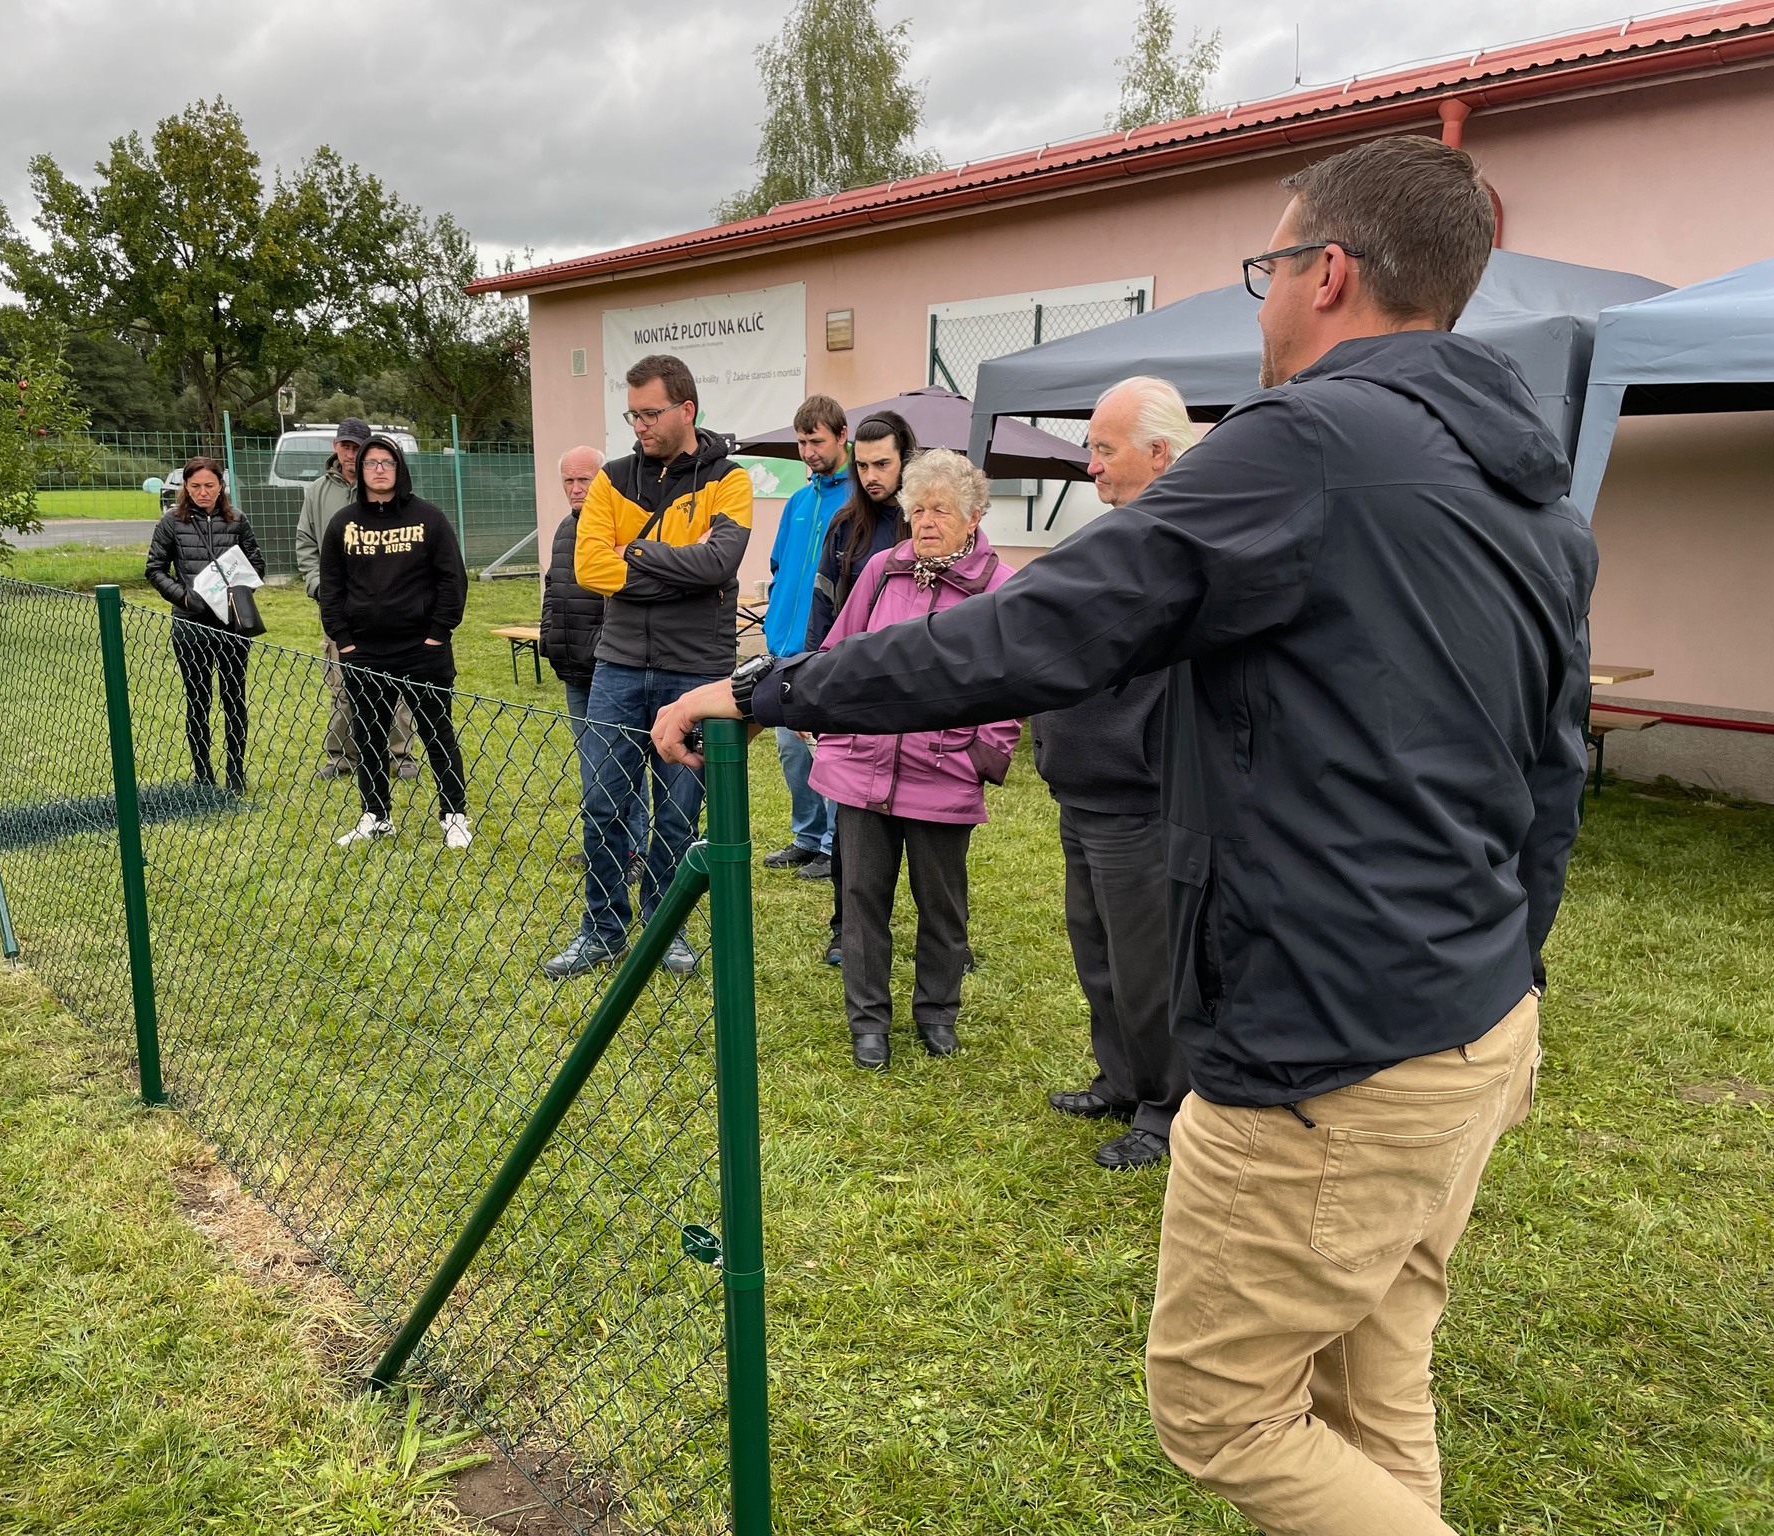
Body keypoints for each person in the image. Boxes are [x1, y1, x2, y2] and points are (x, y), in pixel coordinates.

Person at [657, 136, 1592, 1535]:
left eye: (1268, 266)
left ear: (1328, 273)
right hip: (1472, 1029)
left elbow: (1032, 629)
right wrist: (1512, 970)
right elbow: (1552, 768)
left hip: (1333, 1047)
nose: (1262, 298)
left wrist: (774, 688)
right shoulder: (1533, 489)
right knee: (1372, 1388)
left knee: (1220, 1406)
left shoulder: (1310, 444)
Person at [544, 354, 751, 980]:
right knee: (603, 804)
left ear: (686, 409)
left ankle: (666, 931)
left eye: (650, 413)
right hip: (619, 666)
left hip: (697, 673)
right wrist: (673, 572)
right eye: (631, 414)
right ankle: (602, 931)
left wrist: (632, 553)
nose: (639, 425)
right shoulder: (609, 479)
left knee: (679, 812)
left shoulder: (730, 481)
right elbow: (589, 568)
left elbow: (719, 564)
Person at [810, 450, 1018, 1070]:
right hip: (862, 764)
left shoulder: (999, 588)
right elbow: (837, 653)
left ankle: (936, 1013)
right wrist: (820, 717)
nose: (926, 521)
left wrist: (986, 751)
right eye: (918, 508)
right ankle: (868, 1022)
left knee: (942, 903)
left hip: (943, 769)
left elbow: (1016, 681)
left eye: (941, 510)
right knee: (862, 897)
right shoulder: (880, 571)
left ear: (974, 516)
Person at [1034, 377, 1196, 1171]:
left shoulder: (1178, 546)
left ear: (1159, 454)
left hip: (1140, 801)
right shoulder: (1115, 540)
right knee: (1096, 951)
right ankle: (1122, 1078)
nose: (1090, 466)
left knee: (1147, 967)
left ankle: (1167, 1110)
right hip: (1084, 788)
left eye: (1104, 449)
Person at [318, 434, 471, 849]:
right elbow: (331, 587)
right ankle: (376, 814)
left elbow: (452, 579)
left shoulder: (429, 518)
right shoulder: (343, 524)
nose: (379, 469)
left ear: (399, 467)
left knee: (437, 732)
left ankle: (454, 815)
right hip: (363, 651)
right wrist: (344, 641)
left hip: (423, 650)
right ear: (359, 469)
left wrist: (438, 635)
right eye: (371, 463)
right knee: (369, 734)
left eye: (387, 462)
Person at [804, 409, 916, 968]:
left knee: (927, 823)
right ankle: (845, 929)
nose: (872, 475)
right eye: (864, 464)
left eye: (884, 463)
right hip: (853, 690)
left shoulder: (927, 522)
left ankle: (946, 937)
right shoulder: (845, 526)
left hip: (921, 692)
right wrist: (806, 683)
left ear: (906, 460)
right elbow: (822, 612)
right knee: (851, 818)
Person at [540, 444, 646, 869]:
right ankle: (601, 847)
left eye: (585, 479)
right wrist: (549, 636)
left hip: (610, 668)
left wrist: (606, 650)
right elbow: (555, 586)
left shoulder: (622, 527)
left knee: (621, 765)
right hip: (573, 668)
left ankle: (633, 850)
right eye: (569, 480)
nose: (577, 488)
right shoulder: (567, 529)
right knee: (591, 765)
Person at [294, 419, 416, 783]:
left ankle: (401, 754)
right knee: (342, 685)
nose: (351, 453)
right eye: (345, 446)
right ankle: (341, 755)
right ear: (336, 448)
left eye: (357, 448)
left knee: (396, 686)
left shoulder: (386, 493)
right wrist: (321, 588)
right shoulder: (316, 491)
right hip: (339, 610)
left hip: (387, 610)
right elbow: (305, 546)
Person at [760, 395, 849, 881]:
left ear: (841, 437)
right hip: (784, 650)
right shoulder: (797, 501)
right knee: (791, 750)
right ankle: (808, 837)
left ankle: (837, 846)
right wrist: (775, 625)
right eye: (801, 442)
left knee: (829, 750)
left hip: (829, 651)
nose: (809, 451)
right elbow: (779, 567)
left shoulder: (857, 499)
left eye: (817, 441)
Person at [144, 458, 267, 795]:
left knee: (233, 697)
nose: (203, 492)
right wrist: (185, 598)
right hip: (190, 624)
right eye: (195, 486)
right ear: (185, 487)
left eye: (209, 485)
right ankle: (203, 773)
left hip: (231, 624)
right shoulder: (171, 523)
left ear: (220, 487)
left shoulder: (237, 520)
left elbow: (256, 564)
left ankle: (236, 773)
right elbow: (155, 569)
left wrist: (237, 592)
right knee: (198, 698)